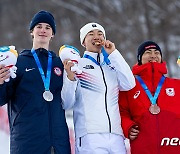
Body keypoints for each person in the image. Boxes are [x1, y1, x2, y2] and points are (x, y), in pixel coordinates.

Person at [0, 10, 71, 154]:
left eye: (48, 27)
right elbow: (1, 98)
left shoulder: (61, 64)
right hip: (27, 142)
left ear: (53, 34)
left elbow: (69, 100)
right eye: (39, 26)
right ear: (32, 32)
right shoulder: (18, 62)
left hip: (58, 143)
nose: (43, 30)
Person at [61, 22, 136, 154]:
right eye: (91, 34)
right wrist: (70, 79)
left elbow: (129, 83)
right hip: (90, 135)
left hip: (116, 135)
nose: (96, 36)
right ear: (83, 42)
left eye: (100, 34)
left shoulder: (112, 65)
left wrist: (113, 53)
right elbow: (66, 103)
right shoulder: (77, 65)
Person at [119, 40, 180, 154]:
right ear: (139, 58)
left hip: (173, 147)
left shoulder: (177, 85)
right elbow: (121, 112)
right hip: (143, 148)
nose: (153, 55)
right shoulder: (129, 86)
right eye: (148, 52)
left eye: (157, 52)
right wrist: (128, 127)